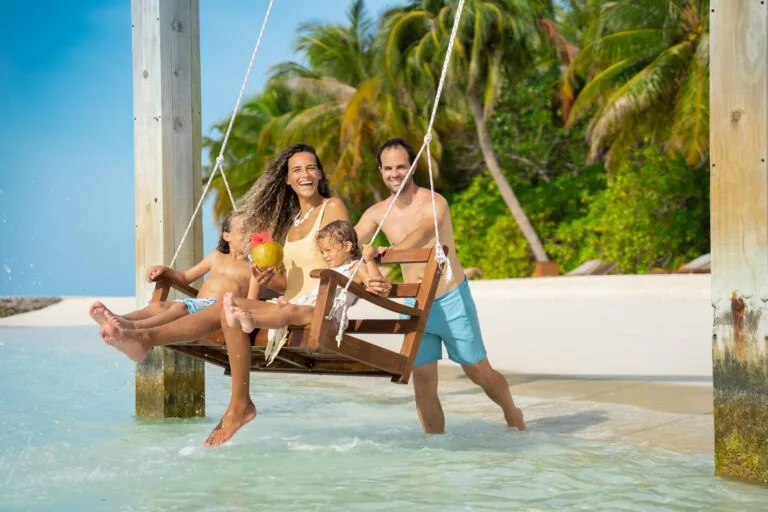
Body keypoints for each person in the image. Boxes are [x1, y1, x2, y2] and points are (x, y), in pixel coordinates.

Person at [355, 137, 526, 433]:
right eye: (387, 168)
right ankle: (437, 452)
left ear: (413, 167)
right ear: (380, 171)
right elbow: (349, 243)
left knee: (478, 372)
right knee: (422, 382)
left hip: (450, 297)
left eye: (401, 166)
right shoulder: (376, 212)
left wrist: (382, 256)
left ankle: (513, 413)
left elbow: (421, 236)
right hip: (413, 303)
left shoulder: (435, 203)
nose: (395, 173)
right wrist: (360, 266)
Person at [204, 221, 383, 446]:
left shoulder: (359, 267)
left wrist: (369, 259)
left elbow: (377, 284)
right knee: (284, 307)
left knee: (290, 310)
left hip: (325, 317)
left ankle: (251, 319)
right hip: (310, 307)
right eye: (322, 252)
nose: (325, 256)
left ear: (347, 246)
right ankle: (245, 317)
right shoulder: (335, 269)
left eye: (328, 251)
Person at [90, 212, 254, 344]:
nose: (249, 235)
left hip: (217, 310)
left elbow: (252, 301)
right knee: (159, 306)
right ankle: (119, 318)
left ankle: (133, 327)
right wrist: (166, 271)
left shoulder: (252, 267)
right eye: (243, 230)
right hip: (197, 305)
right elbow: (184, 277)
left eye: (252, 230)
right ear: (226, 236)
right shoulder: (216, 256)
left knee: (179, 308)